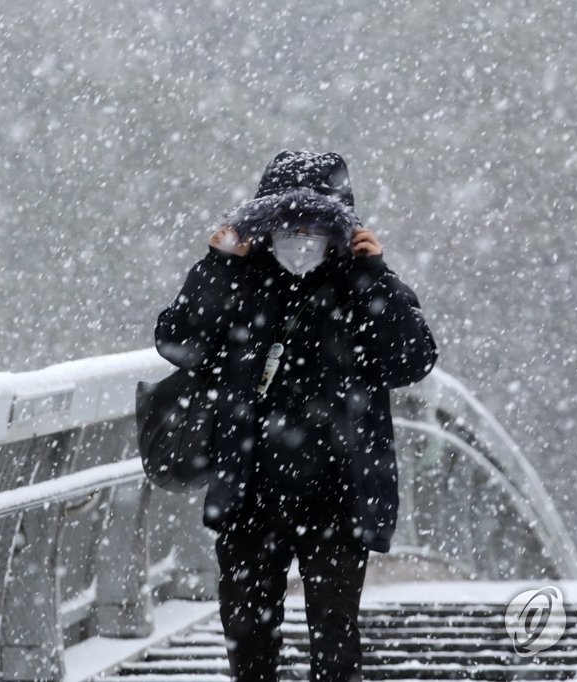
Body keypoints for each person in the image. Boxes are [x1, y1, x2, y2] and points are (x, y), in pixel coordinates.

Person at [154, 150, 438, 682]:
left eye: (317, 221)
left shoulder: (360, 282)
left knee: (334, 639)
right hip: (250, 490)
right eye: (288, 220)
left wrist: (373, 272)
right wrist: (218, 261)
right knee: (247, 635)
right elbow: (178, 341)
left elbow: (413, 359)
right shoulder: (240, 277)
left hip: (338, 493)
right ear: (265, 219)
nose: (302, 235)